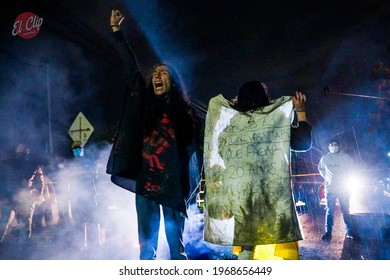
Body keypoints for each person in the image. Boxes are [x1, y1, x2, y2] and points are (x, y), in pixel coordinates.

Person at [106, 10, 203, 260]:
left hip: (172, 184)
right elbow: (131, 68)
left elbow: (195, 149)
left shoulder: (186, 113)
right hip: (145, 181)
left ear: (173, 82)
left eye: (164, 74)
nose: (158, 77)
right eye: (156, 74)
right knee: (146, 248)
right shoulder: (144, 105)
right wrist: (117, 33)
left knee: (175, 247)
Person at [203, 81, 312, 260]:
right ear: (265, 97)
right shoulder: (274, 120)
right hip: (270, 192)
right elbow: (303, 144)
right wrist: (300, 110)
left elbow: (222, 149)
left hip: (240, 193)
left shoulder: (233, 124)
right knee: (277, 236)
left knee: (247, 245)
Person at [318, 139, 359, 240]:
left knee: (345, 210)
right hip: (330, 189)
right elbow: (321, 169)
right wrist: (328, 178)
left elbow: (352, 169)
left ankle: (349, 232)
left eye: (335, 145)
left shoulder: (346, 157)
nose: (333, 147)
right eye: (331, 145)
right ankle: (328, 232)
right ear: (329, 147)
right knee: (329, 211)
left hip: (343, 189)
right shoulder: (325, 158)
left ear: (339, 146)